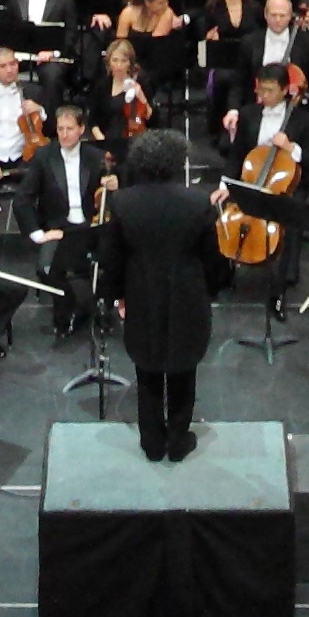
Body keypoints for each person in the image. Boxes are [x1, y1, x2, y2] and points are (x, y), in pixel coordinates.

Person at [106, 123, 221, 458]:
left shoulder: (123, 202)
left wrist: (116, 296)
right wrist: (212, 290)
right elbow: (211, 259)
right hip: (187, 297)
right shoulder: (197, 203)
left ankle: (152, 442)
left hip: (142, 296)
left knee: (148, 370)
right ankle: (178, 441)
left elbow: (113, 257)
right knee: (184, 370)